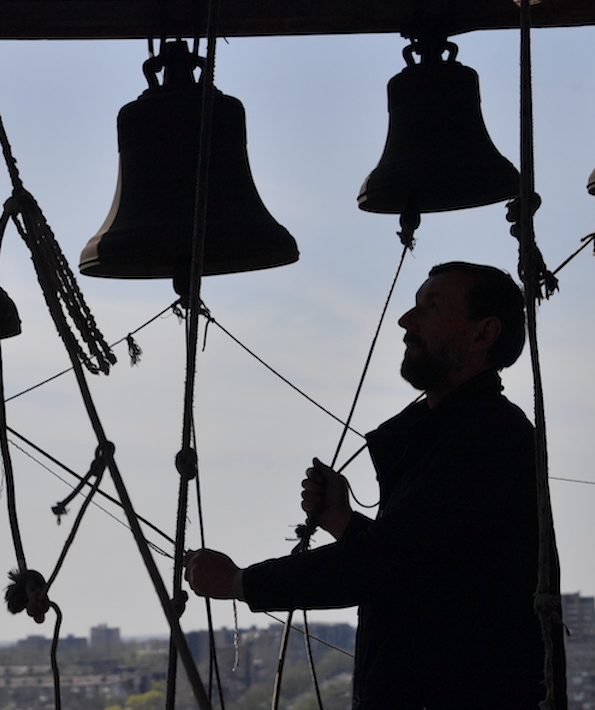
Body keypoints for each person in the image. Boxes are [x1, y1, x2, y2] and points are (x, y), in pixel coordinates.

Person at [184, 261, 565, 709]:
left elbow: (386, 566)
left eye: (431, 307)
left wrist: (240, 582)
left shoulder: (488, 438)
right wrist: (344, 524)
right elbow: (420, 567)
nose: (406, 320)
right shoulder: (456, 435)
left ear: (483, 334)